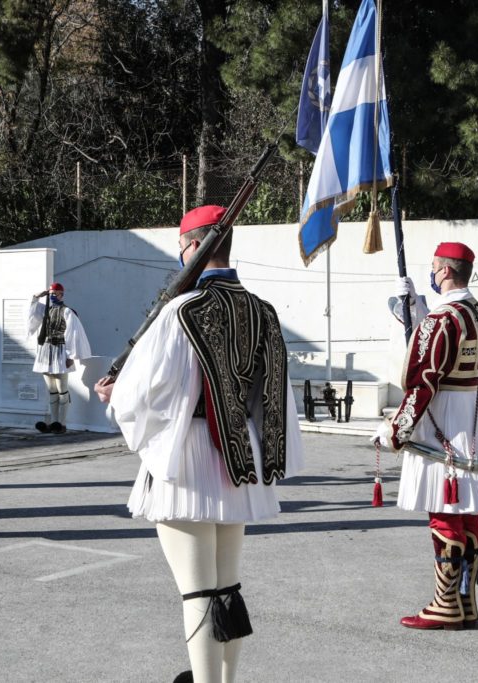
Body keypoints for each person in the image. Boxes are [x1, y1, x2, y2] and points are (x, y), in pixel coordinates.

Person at [94, 205, 305, 683]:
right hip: (239, 459)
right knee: (227, 588)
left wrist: (113, 393)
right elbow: (275, 396)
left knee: (198, 594)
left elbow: (149, 390)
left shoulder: (181, 310)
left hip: (188, 457)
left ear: (192, 246)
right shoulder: (262, 310)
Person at [374, 242, 478, 631]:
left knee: (444, 511)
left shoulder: (443, 318)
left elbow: (422, 380)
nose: (431, 274)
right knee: (465, 513)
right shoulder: (473, 311)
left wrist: (394, 431)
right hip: (472, 411)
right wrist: (415, 311)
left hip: (443, 416)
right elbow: (438, 345)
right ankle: (463, 602)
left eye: (433, 268)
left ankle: (446, 604)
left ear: (445, 271)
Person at [26, 282, 91, 434]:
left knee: (62, 390)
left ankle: (61, 423)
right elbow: (32, 314)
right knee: (52, 390)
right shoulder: (46, 310)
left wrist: (71, 355)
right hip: (45, 351)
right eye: (51, 294)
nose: (53, 296)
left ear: (62, 294)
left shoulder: (67, 311)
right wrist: (36, 297)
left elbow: (72, 334)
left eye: (55, 294)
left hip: (60, 351)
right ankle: (54, 422)